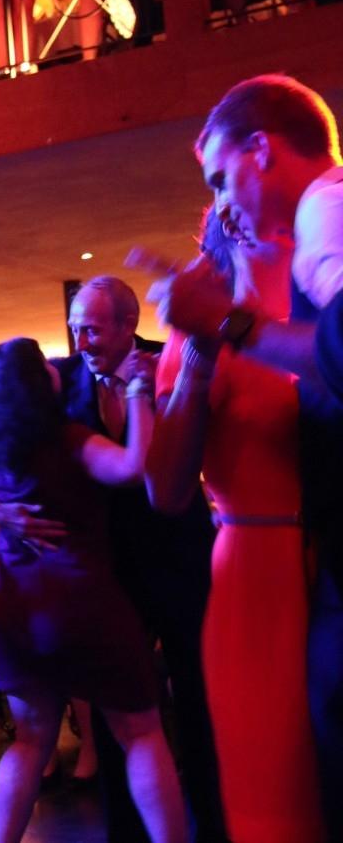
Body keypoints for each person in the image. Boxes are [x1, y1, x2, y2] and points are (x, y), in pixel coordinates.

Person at [129, 74, 343, 840]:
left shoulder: (323, 288)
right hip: (255, 578)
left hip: (329, 567)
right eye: (214, 193)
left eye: (225, 179)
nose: (228, 203)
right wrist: (201, 355)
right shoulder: (203, 323)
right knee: (274, 800)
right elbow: (164, 490)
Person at [0, 276, 223, 843]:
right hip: (104, 579)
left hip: (178, 559)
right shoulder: (55, 385)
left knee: (200, 706)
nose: (80, 339)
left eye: (91, 327)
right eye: (75, 327)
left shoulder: (176, 362)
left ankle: (217, 827)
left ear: (128, 326)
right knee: (127, 731)